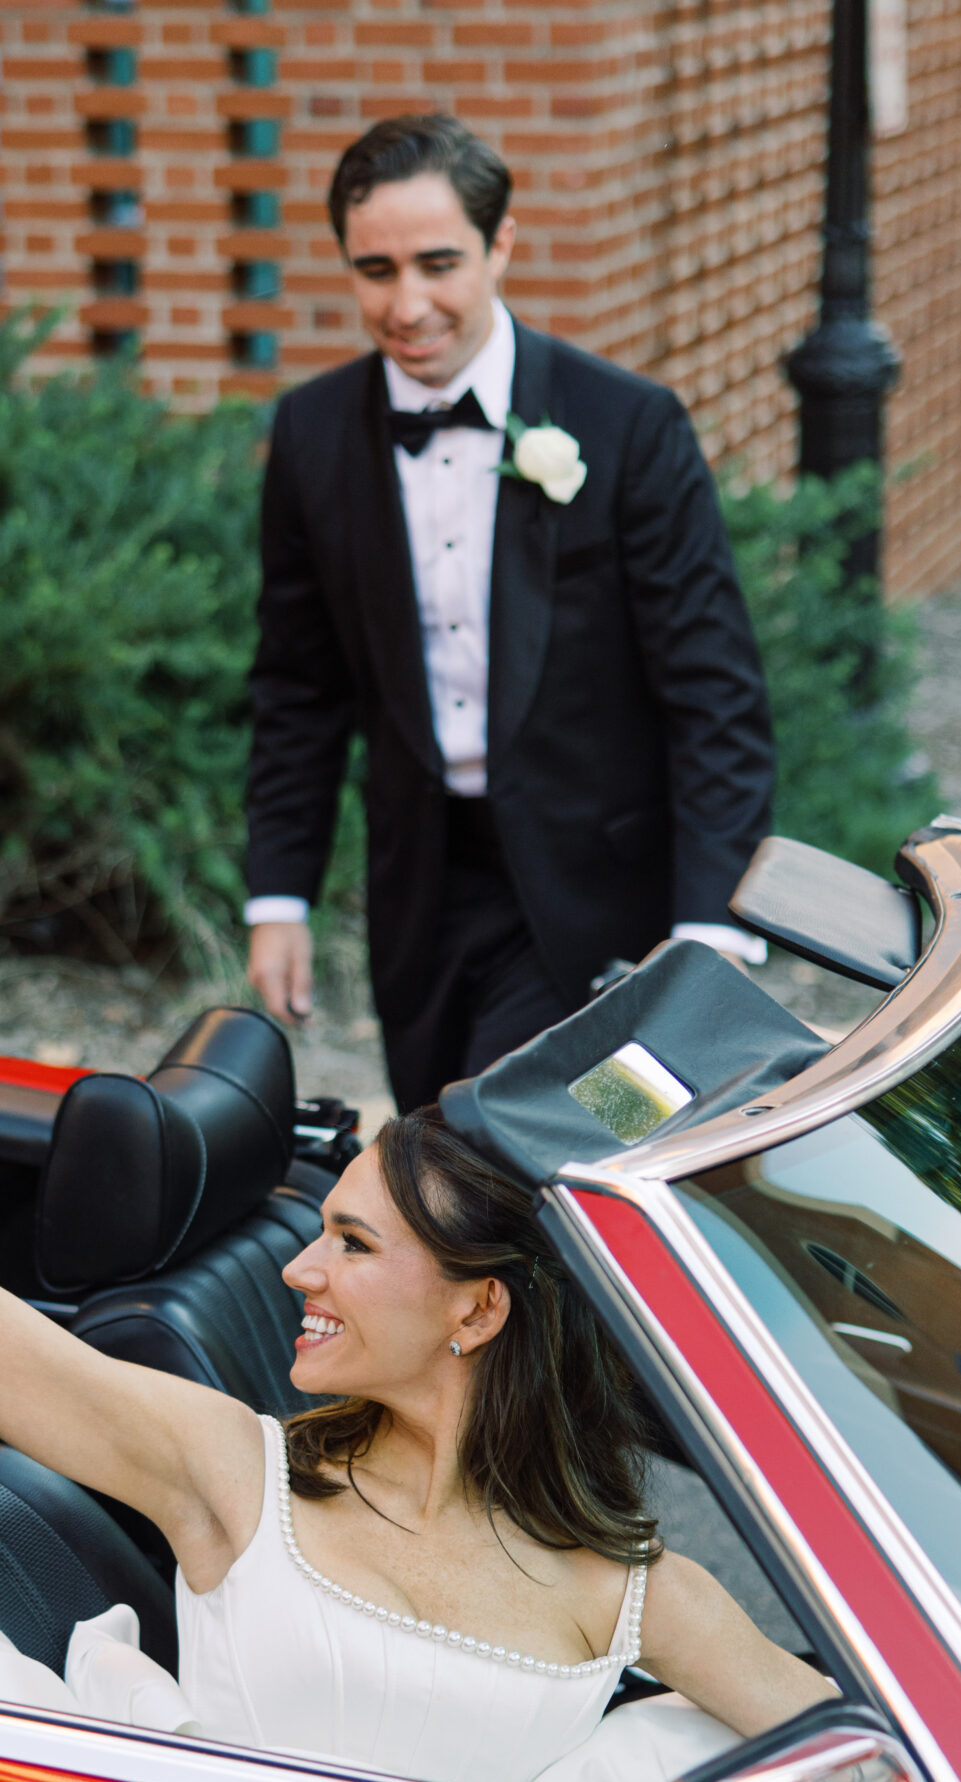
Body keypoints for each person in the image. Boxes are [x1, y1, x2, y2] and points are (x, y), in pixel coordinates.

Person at [0, 760, 832, 1782]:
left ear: (478, 1309)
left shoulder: (638, 1593)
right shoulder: (231, 1474)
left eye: (353, 1244)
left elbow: (884, 1770)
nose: (299, 1266)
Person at [244, 112, 776, 1117]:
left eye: (438, 264)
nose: (407, 305)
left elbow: (715, 697)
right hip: (422, 893)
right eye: (375, 270)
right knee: (443, 1135)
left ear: (502, 246)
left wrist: (711, 937)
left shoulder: (627, 427)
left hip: (603, 896)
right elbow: (298, 688)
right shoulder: (312, 434)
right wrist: (279, 896)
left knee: (558, 1142)